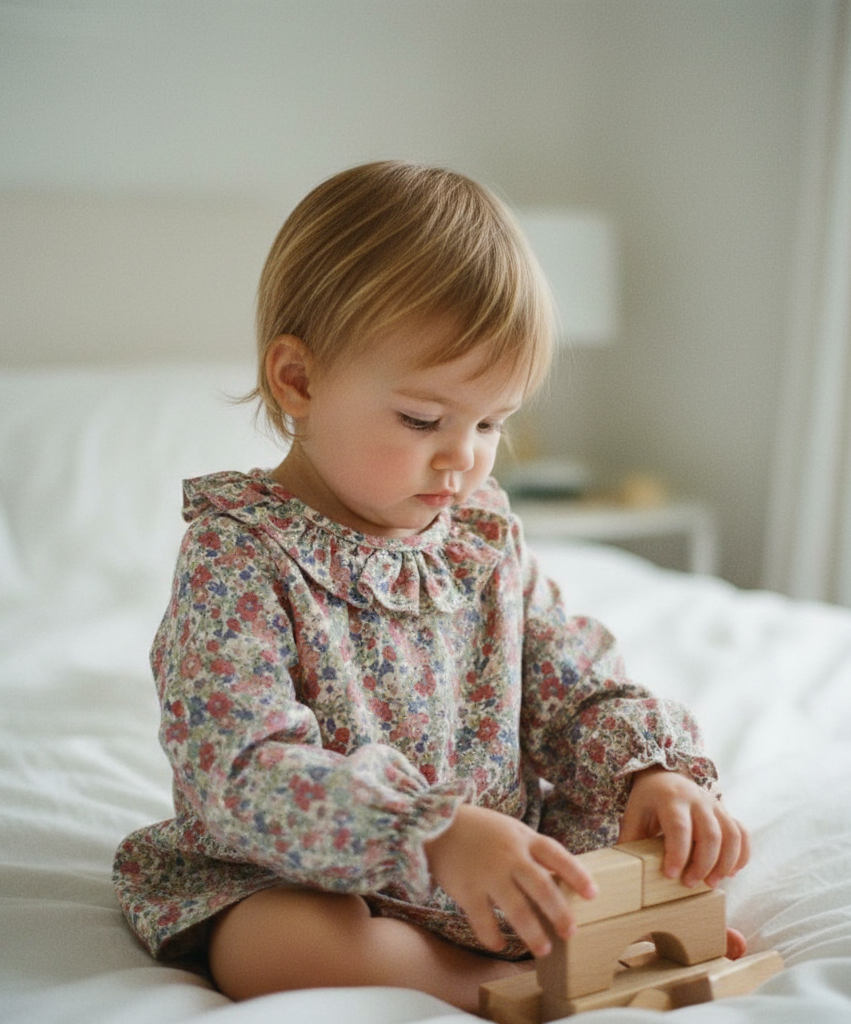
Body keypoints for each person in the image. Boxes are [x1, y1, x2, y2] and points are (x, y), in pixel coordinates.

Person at [113, 160, 749, 1013]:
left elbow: (576, 686)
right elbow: (241, 769)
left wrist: (651, 773)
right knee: (279, 949)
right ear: (298, 381)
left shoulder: (481, 535)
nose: (464, 458)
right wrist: (432, 829)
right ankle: (485, 983)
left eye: (491, 422)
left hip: (497, 857)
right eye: (423, 420)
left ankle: (584, 932)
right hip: (319, 871)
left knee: (644, 838)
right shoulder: (239, 559)